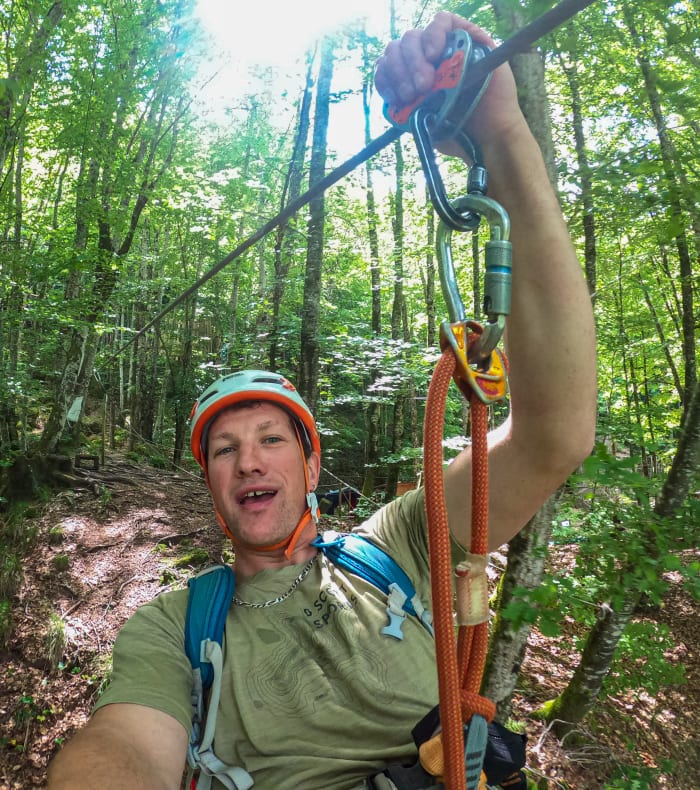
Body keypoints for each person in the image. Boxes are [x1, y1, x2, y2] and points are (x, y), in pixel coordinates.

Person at [47, 12, 596, 790]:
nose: (248, 462)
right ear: (210, 483)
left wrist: (502, 134)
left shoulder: (401, 546)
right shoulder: (174, 629)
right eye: (225, 450)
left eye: (271, 440)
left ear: (311, 467)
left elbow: (555, 434)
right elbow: (122, 747)